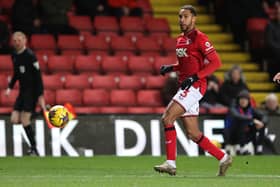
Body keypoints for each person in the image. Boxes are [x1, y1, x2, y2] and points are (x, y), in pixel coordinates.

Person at [153, 5, 232, 176]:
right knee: (193, 134)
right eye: (180, 17)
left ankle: (170, 163)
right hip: (186, 86)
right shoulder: (180, 40)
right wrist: (171, 68)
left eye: (185, 17)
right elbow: (184, 65)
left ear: (194, 19)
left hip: (195, 87)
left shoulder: (201, 38)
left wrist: (196, 77)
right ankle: (223, 157)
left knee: (167, 118)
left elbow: (216, 63)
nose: (182, 20)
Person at [5, 31, 46, 156]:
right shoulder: (14, 55)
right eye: (15, 41)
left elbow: (38, 77)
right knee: (14, 119)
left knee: (24, 120)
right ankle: (36, 114)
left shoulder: (30, 56)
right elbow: (17, 73)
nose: (17, 43)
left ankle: (33, 148)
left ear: (25, 40)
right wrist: (10, 87)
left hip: (31, 92)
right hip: (22, 92)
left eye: (19, 40)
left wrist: (40, 96)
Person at [224, 90, 266, 155]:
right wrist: (252, 120)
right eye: (241, 99)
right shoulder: (233, 108)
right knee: (242, 122)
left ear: (248, 101)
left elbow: (264, 116)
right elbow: (237, 116)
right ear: (238, 100)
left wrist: (262, 122)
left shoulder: (251, 109)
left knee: (261, 125)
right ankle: (240, 147)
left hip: (246, 134)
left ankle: (259, 148)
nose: (243, 101)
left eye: (245, 99)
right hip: (232, 134)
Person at [264, 6, 280, 79]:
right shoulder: (270, 25)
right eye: (279, 13)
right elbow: (269, 42)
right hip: (275, 56)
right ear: (276, 14)